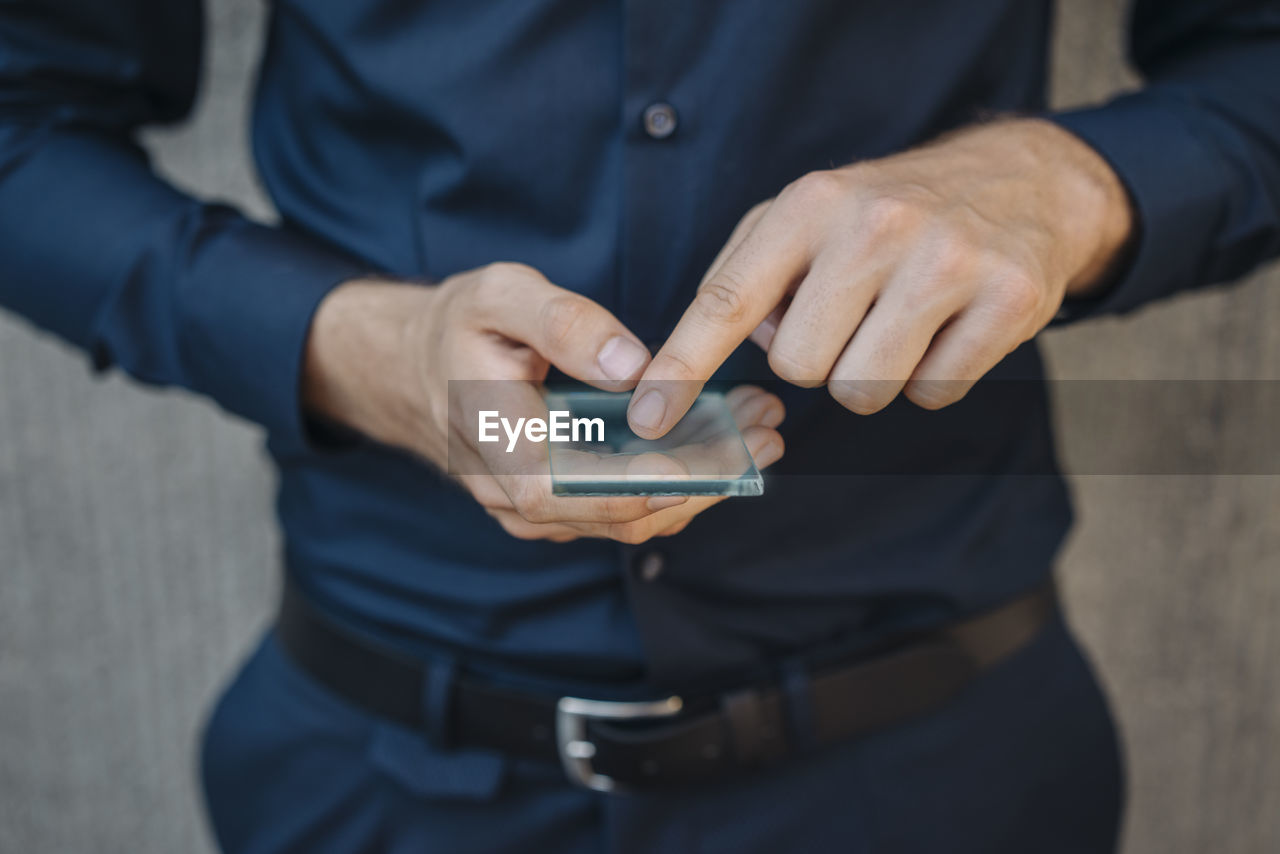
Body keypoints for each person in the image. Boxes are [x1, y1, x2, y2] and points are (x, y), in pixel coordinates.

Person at [1, 1, 1277, 851]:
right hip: (377, 770)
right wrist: (354, 347)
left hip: (941, 763)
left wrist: (1064, 184)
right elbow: (23, 114)